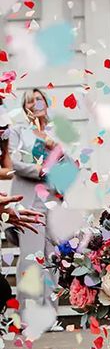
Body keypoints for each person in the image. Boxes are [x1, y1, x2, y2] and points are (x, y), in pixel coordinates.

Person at [8, 88, 62, 323]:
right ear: (24, 107)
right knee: (31, 262)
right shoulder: (17, 132)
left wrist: (55, 151)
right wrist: (41, 170)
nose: (34, 103)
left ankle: (50, 318)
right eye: (29, 101)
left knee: (53, 262)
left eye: (38, 99)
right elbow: (14, 162)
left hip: (53, 204)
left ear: (46, 103)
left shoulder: (56, 133)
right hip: (28, 205)